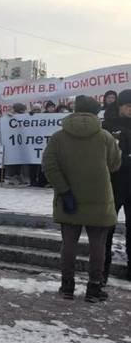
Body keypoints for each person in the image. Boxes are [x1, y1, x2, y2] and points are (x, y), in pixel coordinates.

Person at [42, 95, 121, 302]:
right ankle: (94, 287)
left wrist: (64, 190)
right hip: (100, 199)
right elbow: (114, 165)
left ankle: (67, 286)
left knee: (69, 244)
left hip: (69, 198)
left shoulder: (58, 137)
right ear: (96, 112)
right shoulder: (105, 137)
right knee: (98, 245)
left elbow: (49, 166)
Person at [102, 89, 131, 282]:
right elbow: (106, 156)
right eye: (129, 106)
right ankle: (101, 271)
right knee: (106, 229)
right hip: (113, 183)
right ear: (120, 106)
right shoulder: (108, 125)